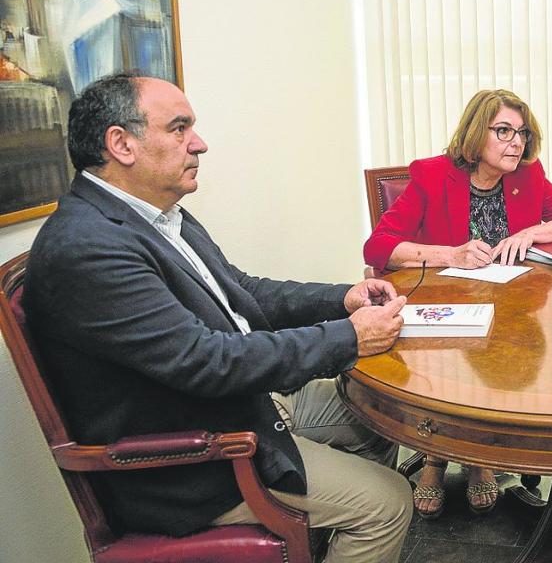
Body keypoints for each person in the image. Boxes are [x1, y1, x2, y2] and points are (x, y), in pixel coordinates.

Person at [23, 75, 414, 563]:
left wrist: (343, 299)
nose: (199, 143)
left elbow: (243, 293)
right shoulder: (88, 248)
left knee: (379, 415)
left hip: (241, 403)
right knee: (388, 502)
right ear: (121, 143)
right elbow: (207, 361)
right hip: (189, 460)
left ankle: (321, 531)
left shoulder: (158, 214)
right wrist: (348, 338)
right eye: (180, 128)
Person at [363, 87, 552, 518]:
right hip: (443, 307)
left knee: (513, 356)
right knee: (457, 362)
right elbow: (377, 246)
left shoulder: (527, 175)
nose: (515, 142)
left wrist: (530, 233)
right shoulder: (430, 175)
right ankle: (435, 456)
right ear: (475, 133)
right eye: (502, 130)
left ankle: (478, 455)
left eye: (521, 133)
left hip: (509, 308)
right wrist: (452, 255)